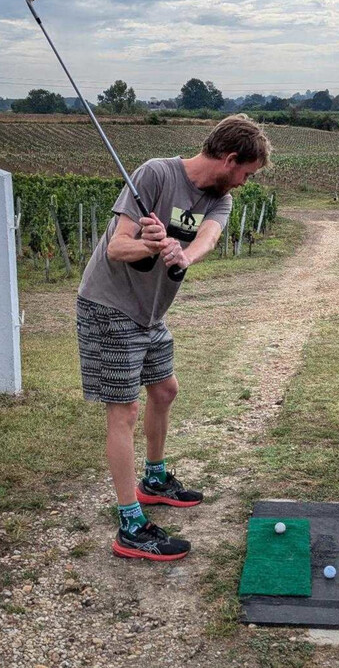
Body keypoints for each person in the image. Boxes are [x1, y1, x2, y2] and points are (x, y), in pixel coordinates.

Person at [75, 114, 272, 560]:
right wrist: (149, 245)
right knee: (122, 412)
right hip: (109, 305)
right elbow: (116, 248)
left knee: (165, 390)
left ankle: (155, 480)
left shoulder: (218, 198)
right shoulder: (155, 174)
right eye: (245, 172)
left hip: (150, 313)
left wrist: (182, 252)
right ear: (230, 158)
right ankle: (129, 524)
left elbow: (208, 238)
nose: (244, 182)